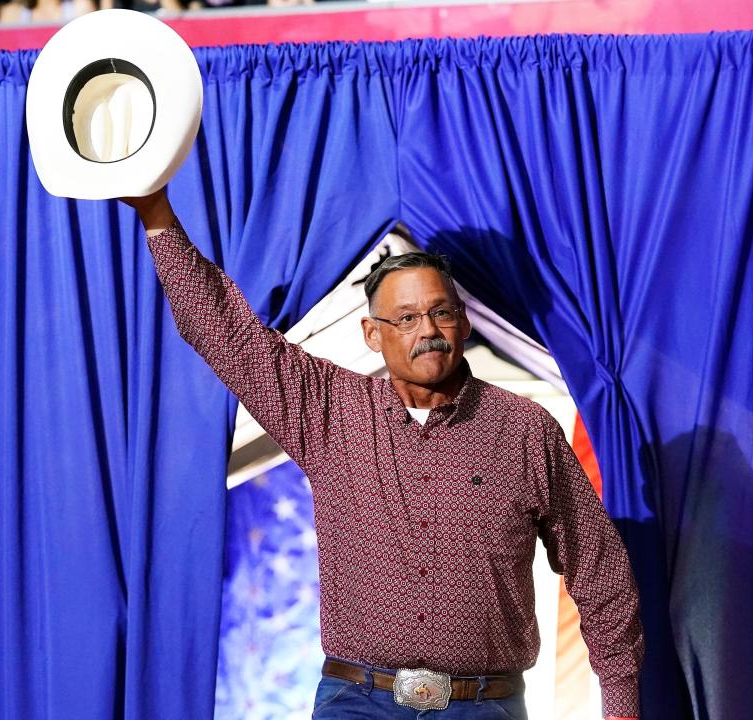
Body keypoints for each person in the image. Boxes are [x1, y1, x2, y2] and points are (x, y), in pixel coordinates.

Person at [122, 188, 644, 719]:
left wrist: (621, 703)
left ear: (463, 323)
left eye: (441, 314)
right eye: (407, 318)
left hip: (486, 706)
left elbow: (598, 566)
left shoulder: (524, 430)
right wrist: (158, 216)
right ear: (372, 334)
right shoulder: (329, 410)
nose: (428, 332)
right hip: (358, 703)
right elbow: (225, 334)